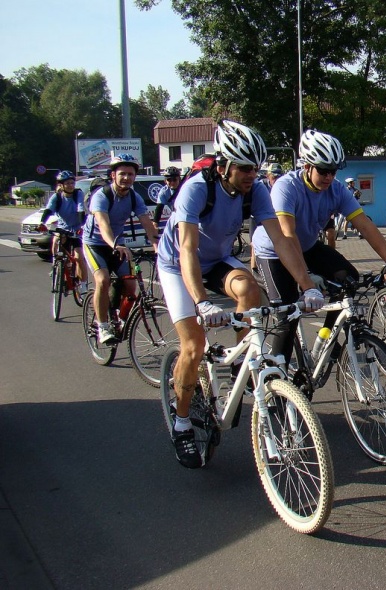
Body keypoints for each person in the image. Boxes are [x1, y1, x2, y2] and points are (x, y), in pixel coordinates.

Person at [157, 120, 320, 469]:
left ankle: (239, 371)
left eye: (255, 169)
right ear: (223, 166)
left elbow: (281, 240)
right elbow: (187, 248)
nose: (251, 175)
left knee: (249, 290)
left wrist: (308, 286)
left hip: (216, 260)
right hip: (178, 265)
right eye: (245, 168)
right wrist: (201, 301)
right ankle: (182, 422)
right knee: (193, 345)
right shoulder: (197, 189)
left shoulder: (256, 190)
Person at [252, 129, 386, 362]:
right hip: (274, 251)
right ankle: (276, 381)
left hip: (308, 246)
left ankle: (326, 338)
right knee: (288, 315)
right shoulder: (286, 187)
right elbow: (287, 235)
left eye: (333, 171)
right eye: (323, 170)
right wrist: (307, 279)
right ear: (306, 166)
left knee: (348, 280)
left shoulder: (337, 190)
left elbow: (364, 225)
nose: (329, 177)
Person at [82, 154, 160, 345]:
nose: (126, 178)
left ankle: (119, 318)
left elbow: (147, 224)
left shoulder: (134, 197)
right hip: (95, 244)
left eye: (131, 174)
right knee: (103, 280)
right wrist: (115, 244)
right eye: (122, 174)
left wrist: (158, 247)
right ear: (113, 175)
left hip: (118, 244)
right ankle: (102, 326)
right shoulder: (101, 196)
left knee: (131, 287)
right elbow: (103, 223)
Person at [39, 170, 89, 294]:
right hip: (62, 228)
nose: (71, 185)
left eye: (72, 183)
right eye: (67, 183)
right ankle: (56, 265)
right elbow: (49, 210)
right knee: (56, 242)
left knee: (79, 257)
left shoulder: (78, 194)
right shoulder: (57, 197)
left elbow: (80, 209)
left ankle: (83, 284)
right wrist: (42, 223)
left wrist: (81, 226)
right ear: (61, 185)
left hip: (77, 228)